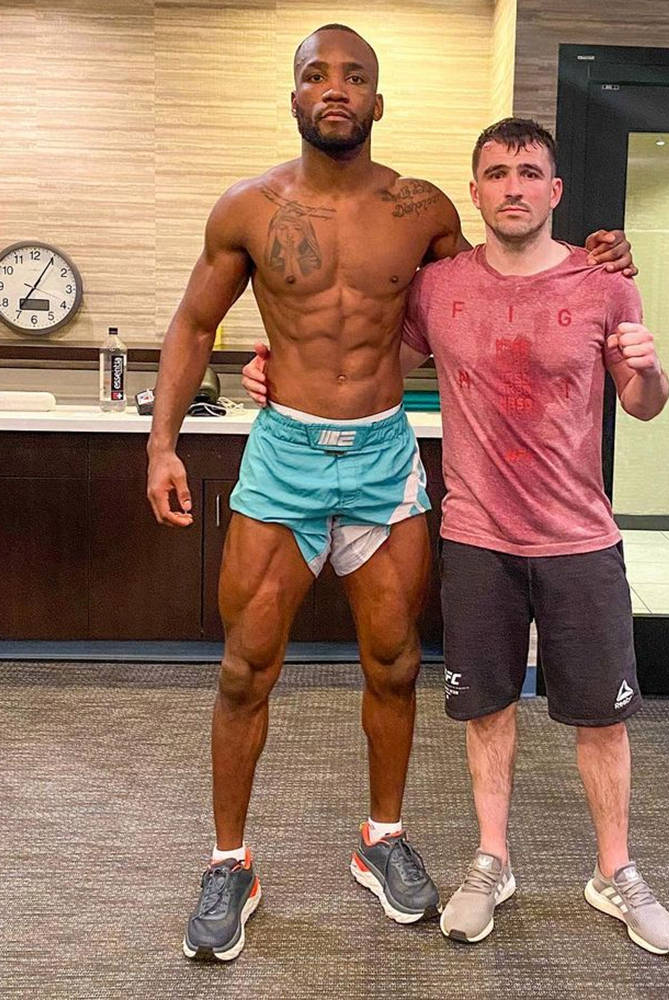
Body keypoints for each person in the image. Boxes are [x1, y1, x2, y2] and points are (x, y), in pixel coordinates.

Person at [146, 24, 632, 963]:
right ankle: (229, 861)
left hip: (381, 458)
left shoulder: (423, 208)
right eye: (316, 75)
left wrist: (595, 259)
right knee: (246, 664)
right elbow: (193, 322)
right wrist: (162, 445)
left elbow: (506, 267)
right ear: (292, 97)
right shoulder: (246, 209)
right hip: (284, 458)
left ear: (378, 102)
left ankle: (383, 840)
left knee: (395, 661)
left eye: (354, 77)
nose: (335, 88)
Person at [243, 117, 669, 955]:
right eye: (495, 173)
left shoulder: (602, 284)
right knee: (487, 710)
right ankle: (492, 861)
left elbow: (642, 403)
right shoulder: (438, 287)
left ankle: (615, 872)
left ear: (554, 191)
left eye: (528, 173)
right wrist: (276, 369)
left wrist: (653, 366)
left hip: (579, 537)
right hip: (477, 535)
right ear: (474, 191)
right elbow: (370, 357)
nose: (512, 187)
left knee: (603, 721)